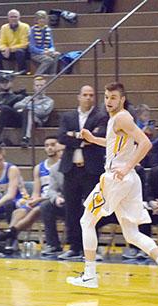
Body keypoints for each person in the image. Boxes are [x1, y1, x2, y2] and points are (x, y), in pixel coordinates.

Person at [66, 82, 158, 294]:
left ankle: (89, 275)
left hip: (116, 177)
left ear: (122, 99)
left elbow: (145, 143)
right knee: (131, 234)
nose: (108, 101)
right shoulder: (116, 120)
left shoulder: (122, 117)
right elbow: (113, 144)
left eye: (113, 98)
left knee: (86, 220)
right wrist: (93, 139)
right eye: (107, 97)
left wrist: (127, 167)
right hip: (127, 180)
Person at [57, 85, 108, 260]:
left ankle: (92, 248)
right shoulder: (68, 116)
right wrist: (83, 138)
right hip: (70, 169)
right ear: (79, 97)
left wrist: (75, 136)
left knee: (92, 209)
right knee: (71, 210)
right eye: (85, 95)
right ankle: (74, 247)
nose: (88, 98)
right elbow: (62, 137)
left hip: (91, 170)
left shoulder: (101, 117)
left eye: (91, 95)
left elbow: (98, 137)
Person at [0, 136, 62, 254]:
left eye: (52, 144)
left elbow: (62, 191)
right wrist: (32, 200)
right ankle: (11, 242)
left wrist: (38, 200)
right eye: (47, 145)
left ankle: (9, 236)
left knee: (38, 208)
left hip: (54, 200)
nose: (50, 148)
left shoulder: (63, 166)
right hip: (40, 200)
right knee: (18, 212)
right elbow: (36, 192)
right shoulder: (38, 168)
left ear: (59, 146)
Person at [40, 141, 67, 257]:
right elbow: (51, 190)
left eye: (63, 151)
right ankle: (53, 245)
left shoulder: (82, 165)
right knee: (46, 206)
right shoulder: (55, 169)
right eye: (59, 151)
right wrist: (56, 198)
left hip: (81, 202)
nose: (61, 154)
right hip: (64, 202)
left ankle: (80, 246)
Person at [0, 9, 30, 73]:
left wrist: (10, 49)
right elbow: (1, 43)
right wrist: (5, 49)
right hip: (8, 52)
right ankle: (0, 72)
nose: (13, 19)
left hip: (21, 51)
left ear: (19, 17)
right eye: (11, 17)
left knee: (20, 52)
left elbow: (24, 44)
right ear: (8, 18)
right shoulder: (4, 27)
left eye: (15, 17)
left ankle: (22, 71)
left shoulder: (25, 27)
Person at [29, 10, 60, 76]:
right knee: (48, 60)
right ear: (36, 20)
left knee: (57, 54)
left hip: (47, 51)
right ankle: (38, 74)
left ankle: (52, 74)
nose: (42, 20)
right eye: (40, 18)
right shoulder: (32, 30)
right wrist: (43, 52)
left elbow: (51, 45)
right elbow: (32, 47)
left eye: (43, 18)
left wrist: (51, 51)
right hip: (36, 53)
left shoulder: (48, 30)